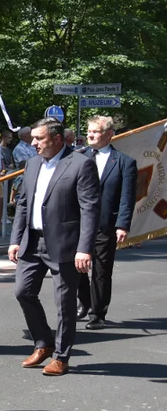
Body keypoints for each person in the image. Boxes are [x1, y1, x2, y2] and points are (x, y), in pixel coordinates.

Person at [8, 119, 99, 376]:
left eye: (40, 138)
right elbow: (23, 205)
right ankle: (43, 343)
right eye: (33, 138)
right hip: (32, 241)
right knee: (23, 292)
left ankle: (61, 356)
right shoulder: (33, 163)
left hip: (65, 244)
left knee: (64, 302)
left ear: (57, 139)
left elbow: (90, 208)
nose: (33, 143)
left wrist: (85, 248)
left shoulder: (81, 164)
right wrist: (16, 239)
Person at [76, 116, 137, 329]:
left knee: (101, 271)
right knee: (77, 268)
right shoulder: (78, 157)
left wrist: (122, 224)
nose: (90, 135)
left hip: (105, 224)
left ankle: (97, 313)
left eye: (95, 131)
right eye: (89, 131)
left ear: (109, 134)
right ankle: (84, 302)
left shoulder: (124, 162)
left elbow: (127, 197)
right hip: (78, 224)